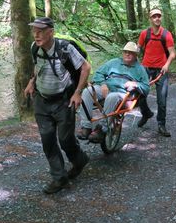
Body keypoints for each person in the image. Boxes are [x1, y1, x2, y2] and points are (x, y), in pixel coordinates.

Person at [23, 17, 91, 194]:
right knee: (48, 140)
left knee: (65, 139)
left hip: (64, 101)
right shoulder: (35, 47)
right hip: (42, 101)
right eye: (34, 30)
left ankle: (79, 159)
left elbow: (86, 68)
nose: (36, 34)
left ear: (50, 32)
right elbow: (38, 67)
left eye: (40, 30)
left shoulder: (65, 48)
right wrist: (32, 82)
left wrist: (77, 93)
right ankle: (59, 178)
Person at [77, 42, 150, 143]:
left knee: (112, 97)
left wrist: (135, 84)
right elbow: (98, 73)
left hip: (123, 93)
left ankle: (102, 129)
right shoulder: (114, 62)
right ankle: (86, 126)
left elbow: (146, 88)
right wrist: (102, 84)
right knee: (87, 91)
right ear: (122, 53)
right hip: (106, 87)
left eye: (131, 52)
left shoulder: (140, 69)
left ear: (135, 55)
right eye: (125, 52)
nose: (127, 54)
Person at [137, 8, 176, 137]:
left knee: (162, 100)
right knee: (138, 94)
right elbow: (138, 49)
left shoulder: (166, 34)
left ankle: (161, 125)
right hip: (145, 68)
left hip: (161, 69)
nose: (157, 18)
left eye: (159, 16)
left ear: (161, 17)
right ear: (150, 18)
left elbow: (172, 54)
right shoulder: (144, 34)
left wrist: (166, 65)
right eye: (154, 16)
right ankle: (146, 113)